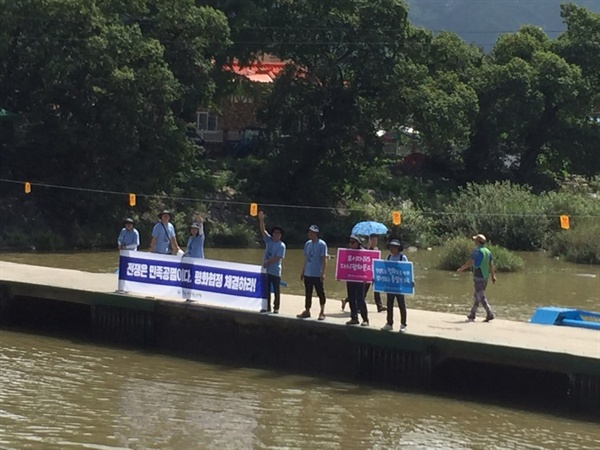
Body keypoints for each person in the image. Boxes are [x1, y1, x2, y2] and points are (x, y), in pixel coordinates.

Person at [457, 234, 497, 322]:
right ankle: (472, 314)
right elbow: (491, 265)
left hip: (478, 275)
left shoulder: (477, 251)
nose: (474, 241)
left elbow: (470, 262)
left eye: (475, 240)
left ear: (478, 241)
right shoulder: (488, 251)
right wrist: (493, 276)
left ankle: (489, 313)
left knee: (481, 296)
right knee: (477, 295)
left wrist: (461, 269)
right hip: (485, 276)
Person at [297, 224, 327, 320]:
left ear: (316, 233)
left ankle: (322, 312)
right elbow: (306, 258)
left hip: (317, 273)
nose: (310, 234)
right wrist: (303, 271)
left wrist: (322, 273)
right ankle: (307, 310)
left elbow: (324, 259)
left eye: (312, 232)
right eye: (309, 232)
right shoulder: (307, 244)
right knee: (308, 292)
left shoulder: (322, 244)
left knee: (320, 293)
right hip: (308, 273)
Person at [258, 211, 286, 314]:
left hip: (275, 271)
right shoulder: (269, 240)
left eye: (278, 233)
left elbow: (277, 258)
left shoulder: (281, 245)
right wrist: (261, 220)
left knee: (276, 290)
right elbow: (262, 230)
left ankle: (276, 307)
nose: (276, 235)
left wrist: (268, 262)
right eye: (275, 233)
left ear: (280, 235)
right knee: (266, 289)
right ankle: (266, 307)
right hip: (266, 270)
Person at [381, 239, 410, 333]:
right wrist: (377, 279)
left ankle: (403, 325)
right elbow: (384, 271)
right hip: (390, 285)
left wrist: (410, 281)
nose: (392, 249)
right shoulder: (388, 257)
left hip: (399, 286)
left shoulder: (403, 258)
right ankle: (389, 323)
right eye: (391, 247)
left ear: (398, 248)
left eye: (394, 247)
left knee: (401, 305)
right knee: (389, 304)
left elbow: (407, 272)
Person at [345, 235, 369, 326]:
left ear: (358, 243)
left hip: (360, 279)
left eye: (353, 242)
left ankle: (365, 319)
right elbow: (343, 265)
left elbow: (368, 266)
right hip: (350, 278)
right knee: (351, 298)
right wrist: (340, 275)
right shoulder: (347, 252)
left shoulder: (364, 253)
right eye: (350, 242)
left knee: (360, 299)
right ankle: (354, 318)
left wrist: (367, 278)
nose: (351, 244)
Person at [364, 233, 387, 312]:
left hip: (374, 273)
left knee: (377, 289)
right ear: (370, 240)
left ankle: (379, 306)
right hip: (367, 273)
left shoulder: (376, 249)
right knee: (364, 290)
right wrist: (367, 248)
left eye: (376, 240)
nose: (375, 242)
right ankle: (353, 302)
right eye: (373, 240)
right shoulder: (365, 249)